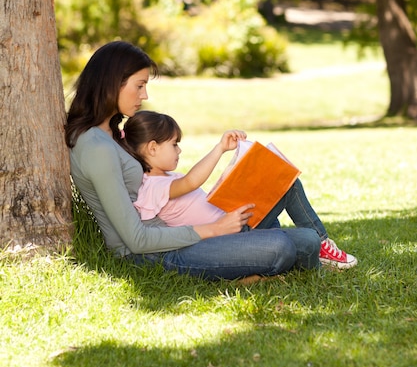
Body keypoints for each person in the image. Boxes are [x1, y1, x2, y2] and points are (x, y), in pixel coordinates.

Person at [65, 40, 357, 282]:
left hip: (180, 237)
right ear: (113, 83)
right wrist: (215, 230)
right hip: (153, 254)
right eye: (139, 86)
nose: (145, 95)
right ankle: (247, 270)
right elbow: (135, 239)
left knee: (305, 240)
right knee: (280, 245)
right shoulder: (95, 146)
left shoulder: (112, 134)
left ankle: (261, 262)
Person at [122, 110, 357, 269]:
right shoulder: (152, 186)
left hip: (236, 225)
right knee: (305, 240)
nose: (179, 151)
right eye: (174, 144)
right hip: (227, 240)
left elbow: (198, 198)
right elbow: (193, 181)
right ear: (152, 148)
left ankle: (320, 244)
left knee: (287, 183)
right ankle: (313, 244)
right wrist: (220, 148)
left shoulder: (168, 178)